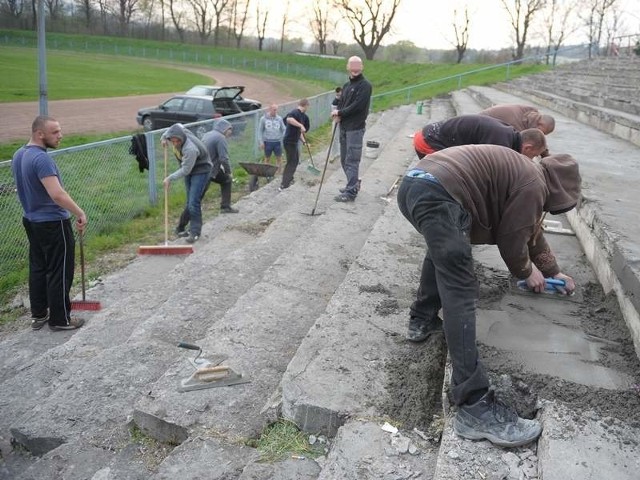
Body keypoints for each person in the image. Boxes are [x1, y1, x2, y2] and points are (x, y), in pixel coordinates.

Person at [397, 143, 581, 448]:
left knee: (445, 252)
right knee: (461, 288)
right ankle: (474, 406)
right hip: (439, 194)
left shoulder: (528, 173)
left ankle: (422, 320)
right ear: (559, 190)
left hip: (418, 184)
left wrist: (552, 272)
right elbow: (513, 239)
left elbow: (531, 232)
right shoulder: (533, 185)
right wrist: (526, 272)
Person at [11, 115, 87, 331]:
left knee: (38, 267)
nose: (60, 135)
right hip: (53, 223)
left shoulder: (19, 154)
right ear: (39, 134)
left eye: (59, 131)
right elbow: (57, 194)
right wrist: (79, 212)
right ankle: (60, 319)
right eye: (55, 132)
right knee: (59, 270)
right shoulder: (41, 159)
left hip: (31, 220)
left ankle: (39, 314)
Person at [413, 114, 547, 160]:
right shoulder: (500, 143)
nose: (532, 159)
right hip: (428, 141)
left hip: (430, 134)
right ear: (528, 148)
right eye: (534, 156)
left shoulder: (507, 134)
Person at [163, 123, 213, 244]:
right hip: (190, 169)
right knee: (190, 202)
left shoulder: (190, 149)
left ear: (182, 138)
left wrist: (170, 178)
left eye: (177, 141)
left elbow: (186, 170)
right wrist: (163, 139)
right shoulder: (177, 132)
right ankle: (182, 228)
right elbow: (173, 127)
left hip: (201, 170)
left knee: (193, 202)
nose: (175, 144)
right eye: (172, 141)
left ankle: (195, 232)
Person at [332, 56, 373, 202]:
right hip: (344, 127)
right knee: (344, 160)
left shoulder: (365, 85)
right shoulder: (346, 86)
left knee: (352, 160)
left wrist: (340, 113)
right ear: (348, 67)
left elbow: (358, 106)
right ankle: (353, 184)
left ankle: (351, 192)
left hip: (355, 128)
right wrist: (337, 113)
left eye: (358, 66)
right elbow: (342, 104)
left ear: (362, 67)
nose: (355, 69)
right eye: (352, 65)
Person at [201, 118, 239, 214]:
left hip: (203, 166)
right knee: (198, 194)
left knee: (226, 180)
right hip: (208, 170)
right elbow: (223, 158)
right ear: (224, 129)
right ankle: (184, 223)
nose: (230, 132)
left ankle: (225, 206)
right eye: (230, 129)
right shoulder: (220, 138)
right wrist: (229, 171)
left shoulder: (208, 134)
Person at [251, 103, 286, 192]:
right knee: (267, 158)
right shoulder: (263, 119)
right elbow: (260, 131)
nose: (275, 111)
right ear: (270, 110)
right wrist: (261, 142)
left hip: (277, 142)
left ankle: (279, 173)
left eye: (276, 110)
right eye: (274, 109)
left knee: (279, 158)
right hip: (268, 142)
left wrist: (284, 137)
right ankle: (267, 174)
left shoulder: (279, 119)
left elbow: (283, 129)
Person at [280, 98, 310, 191]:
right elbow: (289, 119)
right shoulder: (295, 112)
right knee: (291, 162)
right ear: (306, 106)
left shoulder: (303, 116)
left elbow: (299, 132)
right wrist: (300, 125)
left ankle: (290, 178)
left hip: (294, 142)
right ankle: (284, 184)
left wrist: (304, 142)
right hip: (289, 141)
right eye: (308, 106)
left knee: (295, 161)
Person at [479, 104, 555, 135]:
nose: (540, 134)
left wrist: (545, 154)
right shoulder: (517, 126)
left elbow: (538, 140)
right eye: (541, 131)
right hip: (479, 125)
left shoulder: (531, 113)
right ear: (539, 124)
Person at [329, 87, 342, 161]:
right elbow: (333, 115)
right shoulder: (335, 102)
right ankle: (333, 154)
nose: (338, 97)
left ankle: (340, 152)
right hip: (336, 121)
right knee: (334, 138)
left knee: (343, 138)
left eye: (340, 95)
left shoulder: (345, 100)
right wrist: (335, 117)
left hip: (345, 121)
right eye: (337, 95)